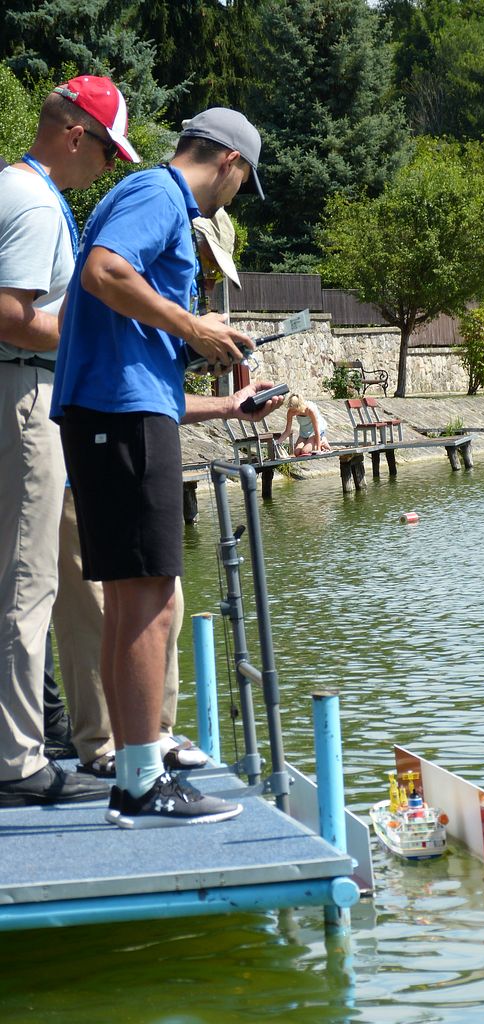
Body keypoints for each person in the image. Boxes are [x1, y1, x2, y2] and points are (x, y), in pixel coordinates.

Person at [51, 107, 284, 829]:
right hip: (121, 416)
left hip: (111, 414)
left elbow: (115, 306)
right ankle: (142, 781)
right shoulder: (159, 194)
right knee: (149, 600)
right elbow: (103, 271)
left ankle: (135, 769)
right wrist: (192, 325)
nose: (235, 197)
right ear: (231, 163)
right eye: (243, 184)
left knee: (131, 601)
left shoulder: (145, 195)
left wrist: (196, 350)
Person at [0, 75, 140, 806]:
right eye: (109, 152)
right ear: (75, 134)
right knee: (28, 587)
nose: (110, 168)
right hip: (24, 391)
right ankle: (18, 763)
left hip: (20, 390)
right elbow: (8, 313)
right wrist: (90, 331)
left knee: (24, 582)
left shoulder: (13, 188)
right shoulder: (32, 200)